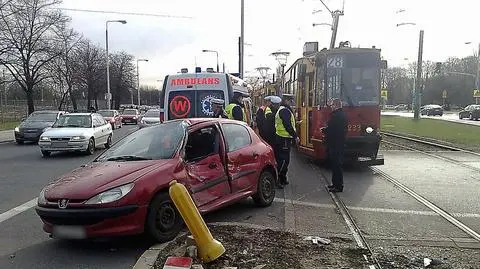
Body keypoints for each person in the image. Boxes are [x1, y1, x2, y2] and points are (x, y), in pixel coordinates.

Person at [321, 98, 348, 193]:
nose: (331, 107)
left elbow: (333, 129)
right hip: (338, 142)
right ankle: (335, 184)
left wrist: (324, 130)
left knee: (336, 165)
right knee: (335, 165)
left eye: (332, 105)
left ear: (336, 105)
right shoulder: (342, 115)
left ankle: (338, 186)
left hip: (335, 143)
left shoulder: (336, 116)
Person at [274, 94, 299, 188]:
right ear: (287, 101)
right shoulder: (284, 110)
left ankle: (282, 178)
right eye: (290, 101)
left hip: (282, 137)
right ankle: (278, 179)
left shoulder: (282, 109)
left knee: (283, 159)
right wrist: (295, 136)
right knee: (284, 160)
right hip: (283, 138)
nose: (291, 103)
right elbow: (287, 125)